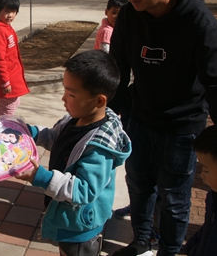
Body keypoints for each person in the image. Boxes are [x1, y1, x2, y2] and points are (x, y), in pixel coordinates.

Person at [108, 0, 217, 256]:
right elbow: (118, 67)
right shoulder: (130, 17)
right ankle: (141, 240)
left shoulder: (201, 25)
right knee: (139, 186)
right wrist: (108, 114)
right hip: (140, 119)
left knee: (174, 200)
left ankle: (170, 251)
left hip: (182, 129)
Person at [16, 49, 131, 256]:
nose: (63, 98)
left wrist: (40, 177)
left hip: (79, 228)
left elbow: (84, 191)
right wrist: (32, 133)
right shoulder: (74, 118)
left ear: (99, 101)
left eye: (70, 94)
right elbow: (56, 138)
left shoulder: (99, 148)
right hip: (65, 213)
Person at [180, 124, 217, 256]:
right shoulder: (215, 196)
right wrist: (192, 247)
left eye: (205, 169)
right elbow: (207, 229)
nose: (201, 175)